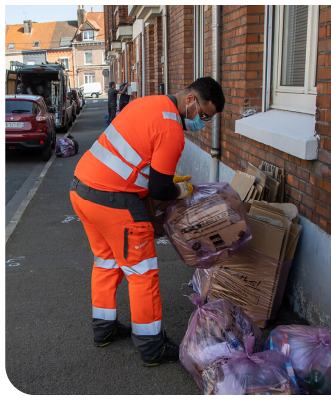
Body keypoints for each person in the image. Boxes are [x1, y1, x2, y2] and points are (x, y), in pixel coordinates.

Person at [69, 76, 225, 366]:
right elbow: (160, 189)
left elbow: (136, 156)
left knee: (106, 261)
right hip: (115, 203)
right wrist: (181, 188)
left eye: (208, 119)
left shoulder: (149, 103)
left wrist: (166, 180)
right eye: (203, 115)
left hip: (82, 188)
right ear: (191, 99)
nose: (202, 122)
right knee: (143, 273)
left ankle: (104, 329)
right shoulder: (172, 129)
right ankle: (152, 346)